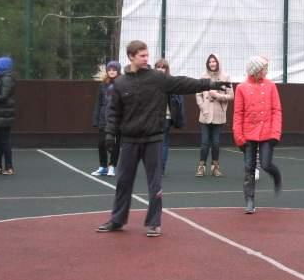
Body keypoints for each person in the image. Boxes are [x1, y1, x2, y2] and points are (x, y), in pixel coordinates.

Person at [96, 40, 231, 236]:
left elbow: (184, 83)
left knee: (155, 184)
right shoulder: (120, 83)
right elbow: (113, 112)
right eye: (142, 55)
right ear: (131, 57)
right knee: (123, 181)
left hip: (153, 139)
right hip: (129, 141)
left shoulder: (157, 78)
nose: (146, 58)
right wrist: (110, 134)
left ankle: (154, 223)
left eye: (147, 55)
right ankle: (117, 220)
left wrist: (211, 84)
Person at [233, 56, 282, 214]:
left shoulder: (271, 86)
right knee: (249, 168)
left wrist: (275, 133)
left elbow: (276, 110)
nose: (266, 72)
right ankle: (249, 200)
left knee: (266, 164)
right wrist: (239, 136)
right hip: (248, 134)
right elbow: (238, 113)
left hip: (267, 132)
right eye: (263, 69)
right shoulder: (241, 88)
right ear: (255, 71)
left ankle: (276, 175)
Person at [195, 54, 234, 177]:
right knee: (205, 143)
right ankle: (201, 167)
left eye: (214, 61)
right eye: (210, 62)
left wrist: (218, 96)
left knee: (216, 143)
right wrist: (203, 108)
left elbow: (231, 96)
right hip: (205, 115)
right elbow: (198, 95)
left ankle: (215, 167)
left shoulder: (225, 77)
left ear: (218, 62)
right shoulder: (203, 76)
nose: (212, 63)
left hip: (219, 114)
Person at [154, 58, 186, 175]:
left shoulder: (170, 81)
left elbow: (178, 100)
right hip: (152, 117)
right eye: (158, 67)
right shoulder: (151, 81)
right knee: (156, 143)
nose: (160, 69)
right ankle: (157, 167)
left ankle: (160, 168)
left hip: (165, 117)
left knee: (163, 143)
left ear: (167, 69)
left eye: (163, 67)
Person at [91, 61, 122, 177]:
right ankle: (103, 167)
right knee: (101, 143)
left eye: (114, 70)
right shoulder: (102, 85)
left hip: (117, 119)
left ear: (118, 71)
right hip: (104, 119)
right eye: (110, 70)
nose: (112, 72)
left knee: (115, 144)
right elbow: (98, 103)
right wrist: (96, 119)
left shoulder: (122, 84)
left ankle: (112, 166)